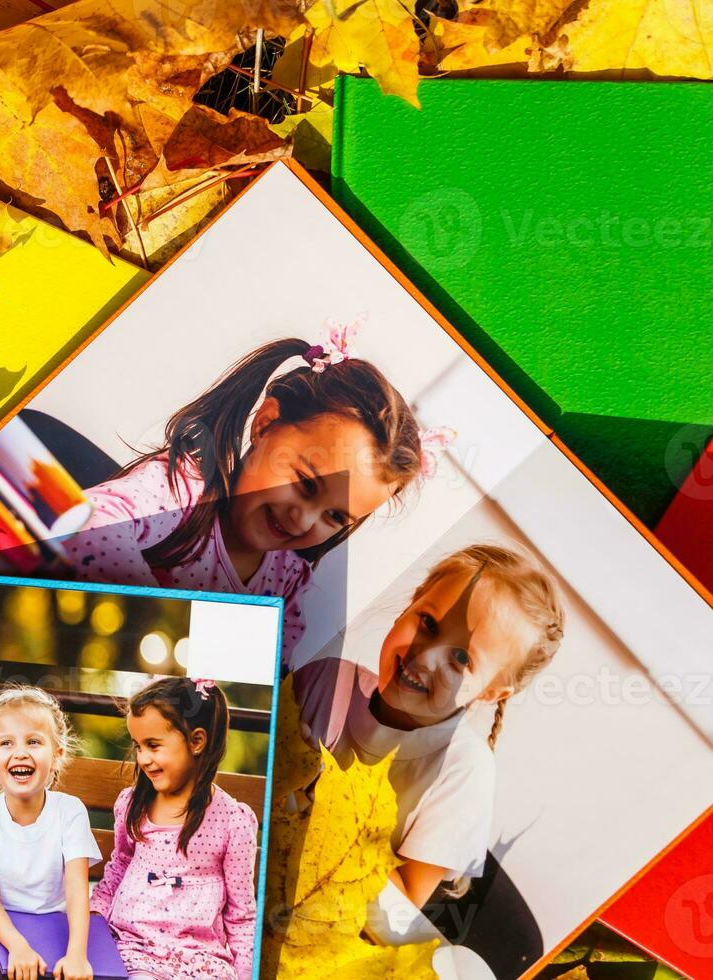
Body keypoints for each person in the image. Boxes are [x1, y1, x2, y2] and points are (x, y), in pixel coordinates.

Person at [67, 324, 424, 665]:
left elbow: (269, 663)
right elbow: (93, 522)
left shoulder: (287, 581)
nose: (303, 519)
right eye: (305, 484)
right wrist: (169, 622)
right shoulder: (184, 490)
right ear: (265, 424)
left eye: (334, 517)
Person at [294, 544, 565, 907]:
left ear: (490, 693)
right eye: (429, 623)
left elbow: (403, 909)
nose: (425, 655)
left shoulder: (465, 771)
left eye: (461, 658)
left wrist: (318, 819)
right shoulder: (323, 681)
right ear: (411, 603)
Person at [91, 677, 257, 980]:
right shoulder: (133, 806)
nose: (143, 759)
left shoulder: (232, 821)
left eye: (153, 746)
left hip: (201, 959)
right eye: (138, 746)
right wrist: (94, 916)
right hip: (134, 947)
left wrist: (245, 973)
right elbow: (119, 866)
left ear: (196, 741)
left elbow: (241, 914)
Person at [0, 687, 102, 980]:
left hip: (56, 927)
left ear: (57, 755)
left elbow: (77, 889)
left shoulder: (70, 812)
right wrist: (18, 946)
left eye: (34, 742)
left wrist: (77, 954)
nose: (20, 753)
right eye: (6, 743)